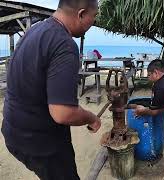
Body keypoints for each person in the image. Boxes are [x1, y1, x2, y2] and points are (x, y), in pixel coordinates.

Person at [1, 0, 101, 179]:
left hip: (12, 131)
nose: (92, 24)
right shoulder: (65, 45)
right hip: (39, 142)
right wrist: (91, 117)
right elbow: (62, 113)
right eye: (93, 17)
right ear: (81, 14)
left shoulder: (33, 31)